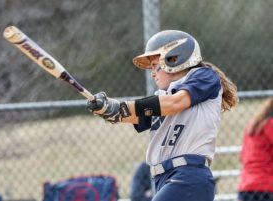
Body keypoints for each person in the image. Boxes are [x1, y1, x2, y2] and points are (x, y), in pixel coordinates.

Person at [86, 30, 238, 201]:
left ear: (174, 58)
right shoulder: (162, 97)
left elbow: (174, 104)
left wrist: (119, 107)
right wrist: (106, 110)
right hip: (165, 180)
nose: (152, 73)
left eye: (154, 65)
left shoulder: (203, 76)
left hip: (188, 177)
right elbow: (137, 114)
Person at [237, 98, 273, 201]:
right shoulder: (270, 125)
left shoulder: (252, 126)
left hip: (246, 188)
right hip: (267, 187)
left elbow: (242, 157)